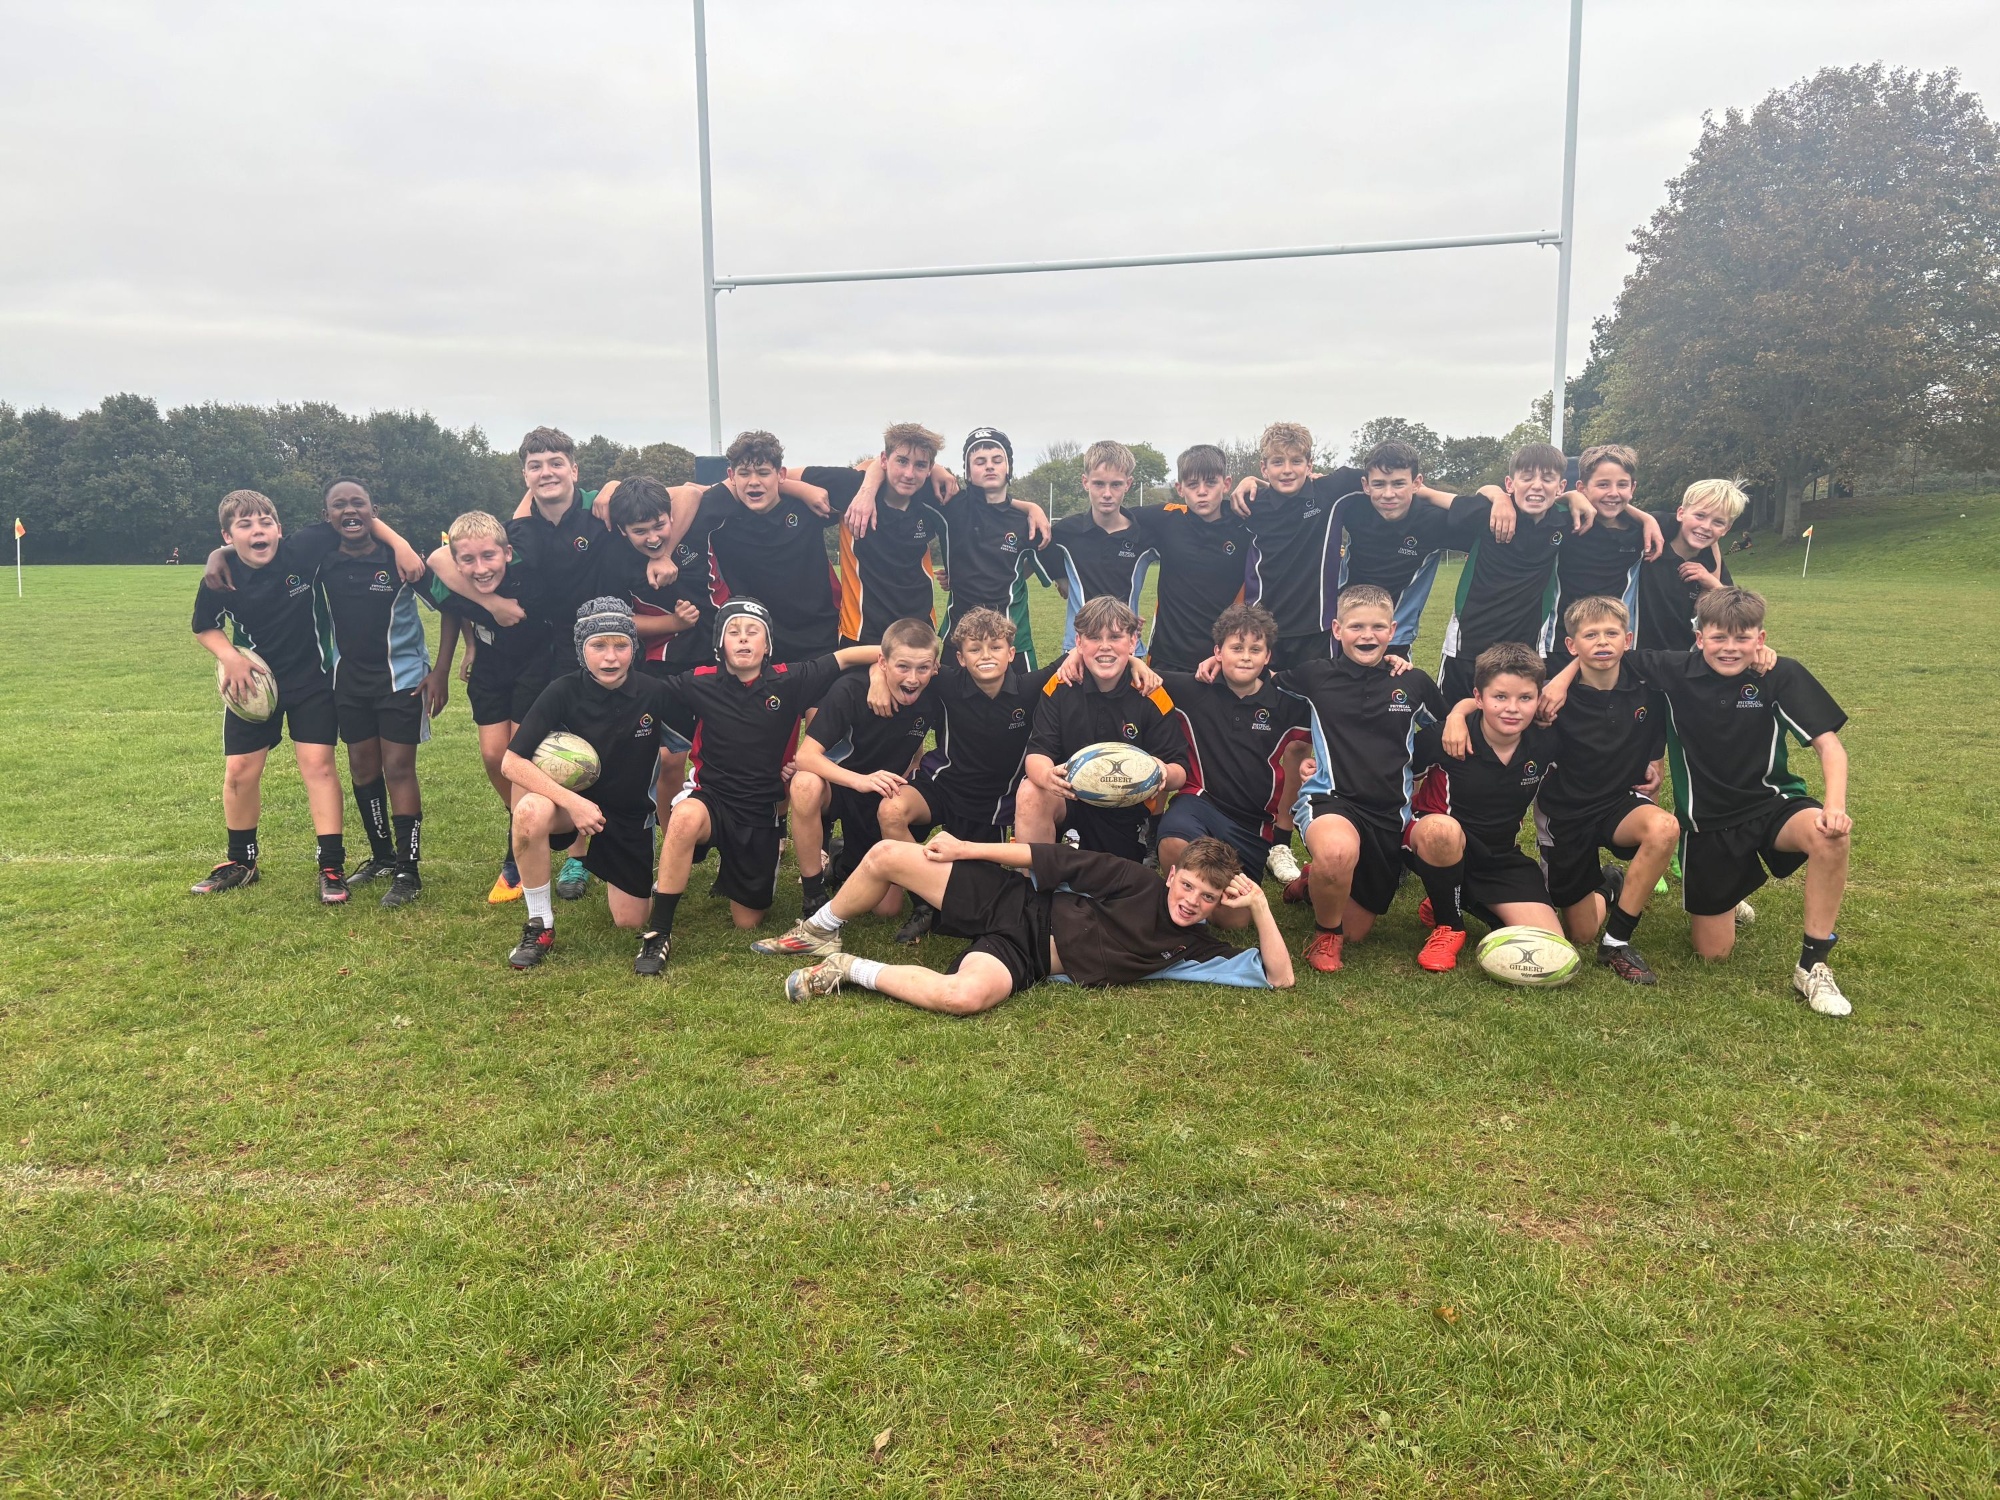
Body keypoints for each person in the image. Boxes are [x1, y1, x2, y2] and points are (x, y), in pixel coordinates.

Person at [1547, 587, 1852, 1014]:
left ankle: (1813, 966)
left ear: (1761, 639)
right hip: (1707, 825)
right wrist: (1559, 681)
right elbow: (1603, 653)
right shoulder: (1672, 670)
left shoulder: (1780, 673)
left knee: (1829, 836)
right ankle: (1729, 892)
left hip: (1771, 805)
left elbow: (1829, 746)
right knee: (1713, 954)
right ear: (1699, 637)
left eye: (1743, 638)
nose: (1730, 648)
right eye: (1719, 637)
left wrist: (1834, 806)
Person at [190, 489, 423, 902]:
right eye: (245, 526)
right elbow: (204, 626)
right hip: (252, 685)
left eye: (265, 523)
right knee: (240, 771)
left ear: (279, 529)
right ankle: (242, 861)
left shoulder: (302, 550)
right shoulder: (220, 578)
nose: (257, 531)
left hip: (312, 681)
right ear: (227, 536)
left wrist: (401, 544)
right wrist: (230, 657)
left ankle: (331, 865)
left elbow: (357, 518)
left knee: (318, 767)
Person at [778, 833, 1294, 1013]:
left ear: (1218, 902)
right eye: (1187, 886)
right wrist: (965, 849)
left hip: (1023, 956)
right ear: (1172, 875)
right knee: (888, 854)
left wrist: (1260, 906)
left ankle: (848, 969)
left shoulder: (1195, 946)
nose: (1191, 902)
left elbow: (1281, 978)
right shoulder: (1137, 880)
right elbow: (1053, 859)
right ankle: (819, 929)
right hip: (1016, 902)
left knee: (961, 998)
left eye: (1207, 898)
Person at [641, 599, 880, 965]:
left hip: (760, 811)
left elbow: (846, 657)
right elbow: (644, 691)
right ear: (720, 643)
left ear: (767, 644)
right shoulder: (698, 681)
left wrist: (887, 663)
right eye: (733, 632)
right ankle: (658, 934)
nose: (743, 639)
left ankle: (740, 870)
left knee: (747, 921)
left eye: (753, 632)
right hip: (711, 798)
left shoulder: (790, 679)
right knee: (684, 817)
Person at [1248, 584, 1446, 973]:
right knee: (1338, 854)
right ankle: (1326, 934)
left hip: (1388, 813)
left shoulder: (1413, 682)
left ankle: (1313, 882)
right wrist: (1215, 663)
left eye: (1377, 627)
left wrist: (1423, 764)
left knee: (1356, 929)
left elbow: (1450, 726)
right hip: (1331, 799)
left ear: (1392, 630)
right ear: (1337, 630)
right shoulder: (1315, 675)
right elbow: (1259, 677)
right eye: (1356, 627)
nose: (1367, 636)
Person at [1492, 595, 1681, 983]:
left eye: (1611, 633)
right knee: (1580, 933)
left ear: (1628, 639)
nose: (1602, 642)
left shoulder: (1647, 684)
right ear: (1571, 645)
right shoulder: (1550, 698)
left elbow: (1700, 672)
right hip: (1566, 813)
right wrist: (1459, 714)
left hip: (1618, 803)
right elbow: (1494, 705)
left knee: (1664, 828)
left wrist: (1653, 762)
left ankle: (1617, 942)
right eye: (1590, 635)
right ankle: (1609, 886)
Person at [501, 598, 688, 973]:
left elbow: (696, 743)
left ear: (634, 647)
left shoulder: (655, 693)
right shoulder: (561, 691)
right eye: (598, 645)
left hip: (628, 815)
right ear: (580, 649)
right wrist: (572, 802)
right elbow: (511, 762)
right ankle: (539, 924)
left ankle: (623, 873)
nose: (610, 657)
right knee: (529, 811)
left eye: (621, 645)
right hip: (570, 810)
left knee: (631, 921)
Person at [868, 607, 1068, 942]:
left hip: (995, 803)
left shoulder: (1030, 687)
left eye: (995, 647)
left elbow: (1083, 654)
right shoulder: (945, 681)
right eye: (975, 649)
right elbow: (891, 653)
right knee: (891, 810)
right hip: (942, 786)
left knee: (977, 897)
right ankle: (924, 905)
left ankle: (959, 894)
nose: (986, 656)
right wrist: (877, 673)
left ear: (1011, 653)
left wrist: (1136, 663)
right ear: (960, 658)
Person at [759, 616, 945, 944]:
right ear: (883, 663)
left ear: (935, 668)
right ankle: (814, 896)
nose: (913, 678)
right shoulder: (851, 690)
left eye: (923, 669)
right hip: (843, 786)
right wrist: (859, 780)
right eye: (902, 667)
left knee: (886, 909)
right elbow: (806, 757)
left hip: (883, 795)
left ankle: (841, 860)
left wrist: (915, 761)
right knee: (804, 783)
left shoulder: (934, 692)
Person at [1402, 643, 1567, 972]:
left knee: (1549, 945)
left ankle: (1445, 894)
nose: (1512, 708)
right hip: (1438, 840)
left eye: (1525, 698)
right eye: (1500, 697)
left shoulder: (1546, 742)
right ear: (1478, 697)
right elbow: (1394, 774)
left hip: (1499, 856)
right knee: (1442, 830)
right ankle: (1449, 925)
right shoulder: (1447, 736)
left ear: (1539, 699)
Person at [422, 512, 558, 904]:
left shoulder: (529, 574)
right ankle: (523, 817)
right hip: (490, 668)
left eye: (489, 557)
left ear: (507, 554)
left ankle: (516, 857)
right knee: (492, 755)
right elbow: (447, 590)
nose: (480, 568)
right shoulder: (454, 579)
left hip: (535, 665)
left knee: (518, 756)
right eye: (467, 560)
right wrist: (486, 614)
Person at [1153, 604, 1312, 912]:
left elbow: (1334, 698)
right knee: (1175, 844)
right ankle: (1185, 913)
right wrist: (1086, 656)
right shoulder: (1192, 690)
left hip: (1251, 824)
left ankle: (1304, 882)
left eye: (1255, 649)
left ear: (1268, 656)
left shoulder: (1286, 703)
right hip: (1200, 803)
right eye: (1236, 648)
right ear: (1218, 652)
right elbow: (1138, 675)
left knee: (1234, 916)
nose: (1246, 656)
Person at [1017, 596, 1189, 862]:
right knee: (1031, 791)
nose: (1105, 646)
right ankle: (1033, 882)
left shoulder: (1150, 692)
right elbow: (1037, 753)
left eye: (1115, 637)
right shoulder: (1061, 686)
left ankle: (1139, 841)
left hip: (1126, 807)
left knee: (1113, 881)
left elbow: (1179, 768)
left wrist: (1163, 771)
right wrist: (1047, 775)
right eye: (1094, 637)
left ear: (1133, 641)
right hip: (1070, 798)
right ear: (1078, 642)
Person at [1432, 442, 1593, 705]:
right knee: (1451, 717)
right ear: (1510, 483)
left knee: (1517, 718)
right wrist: (1496, 496)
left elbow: (1612, 504)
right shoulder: (1488, 513)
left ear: (1561, 486)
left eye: (1547, 479)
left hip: (1525, 648)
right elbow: (1429, 495)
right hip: (1468, 644)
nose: (1537, 485)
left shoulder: (1564, 519)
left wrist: (1576, 497)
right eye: (1527, 477)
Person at [601, 477, 707, 815]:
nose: (652, 537)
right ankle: (674, 833)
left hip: (715, 658)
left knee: (723, 753)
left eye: (659, 525)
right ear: (622, 531)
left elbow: (689, 492)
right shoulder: (613, 559)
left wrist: (666, 553)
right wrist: (673, 623)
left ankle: (719, 828)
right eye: (639, 531)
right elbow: (617, 619)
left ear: (670, 516)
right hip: (661, 665)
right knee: (669, 758)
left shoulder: (689, 527)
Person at [1229, 422, 1365, 669]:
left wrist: (1426, 494)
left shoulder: (1330, 493)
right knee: (1264, 694)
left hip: (1317, 629)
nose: (1287, 470)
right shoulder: (1250, 504)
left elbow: (1387, 475)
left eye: (1296, 461)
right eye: (1277, 462)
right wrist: (1248, 481)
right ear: (1264, 468)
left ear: (1309, 465)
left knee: (1318, 693)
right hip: (1262, 629)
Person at [1322, 440, 1455, 664]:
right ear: (1365, 485)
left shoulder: (1435, 521)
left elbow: (1479, 510)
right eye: (1379, 484)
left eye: (1399, 483)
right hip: (1344, 631)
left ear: (1417, 483)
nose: (1388, 494)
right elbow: (1298, 489)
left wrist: (1497, 496)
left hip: (1396, 637)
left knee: (1395, 687)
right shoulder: (1354, 506)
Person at [1536, 444, 1663, 674]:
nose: (1613, 492)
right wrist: (1570, 497)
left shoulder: (1641, 532)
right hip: (1560, 644)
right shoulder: (1567, 522)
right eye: (1603, 484)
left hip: (1615, 648)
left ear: (1633, 487)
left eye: (1622, 484)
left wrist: (1647, 519)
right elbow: (1536, 502)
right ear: (1582, 487)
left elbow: (1707, 528)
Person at [1128, 443, 1253, 674]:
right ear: (1180, 488)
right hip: (1167, 657)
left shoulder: (1245, 520)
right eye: (1193, 484)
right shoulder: (1167, 519)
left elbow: (1287, 498)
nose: (1202, 491)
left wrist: (1254, 481)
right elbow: (1110, 517)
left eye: (1211, 483)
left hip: (1222, 658)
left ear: (1226, 484)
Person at [1046, 440, 1153, 652]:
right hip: (1077, 648)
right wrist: (1061, 580)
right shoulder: (1064, 532)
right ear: (1085, 482)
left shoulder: (1145, 535)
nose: (1107, 493)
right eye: (1098, 484)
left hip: (1127, 647)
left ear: (1128, 484)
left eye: (1116, 484)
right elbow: (1042, 554)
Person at [1634, 478, 1740, 652]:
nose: (1706, 526)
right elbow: (1611, 509)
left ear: (1726, 529)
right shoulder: (1649, 538)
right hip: (1639, 656)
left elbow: (1738, 617)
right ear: (1681, 513)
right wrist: (1646, 518)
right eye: (1700, 516)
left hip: (1686, 659)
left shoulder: (1710, 565)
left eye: (1718, 522)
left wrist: (1712, 583)